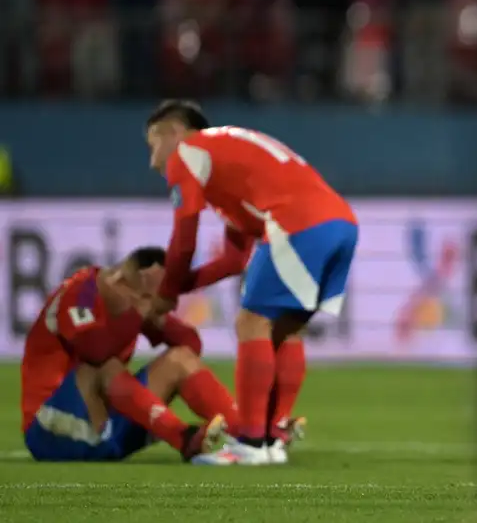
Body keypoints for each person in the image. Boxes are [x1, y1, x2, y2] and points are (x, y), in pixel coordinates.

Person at [143, 100, 358, 465]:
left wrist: (165, 294)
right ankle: (272, 438)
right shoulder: (227, 159)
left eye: (153, 145)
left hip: (299, 222)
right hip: (341, 224)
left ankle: (250, 443)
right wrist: (180, 287)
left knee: (250, 322)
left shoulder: (188, 153)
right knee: (284, 330)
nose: (154, 161)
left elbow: (184, 239)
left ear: (175, 132)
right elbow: (233, 258)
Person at [21, 246, 237, 464]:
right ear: (122, 283)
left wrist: (156, 316)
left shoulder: (131, 307)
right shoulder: (81, 293)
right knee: (103, 365)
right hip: (50, 430)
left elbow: (191, 343)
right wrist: (140, 311)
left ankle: (248, 435)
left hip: (106, 430)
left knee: (180, 360)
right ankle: (181, 436)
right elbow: (93, 351)